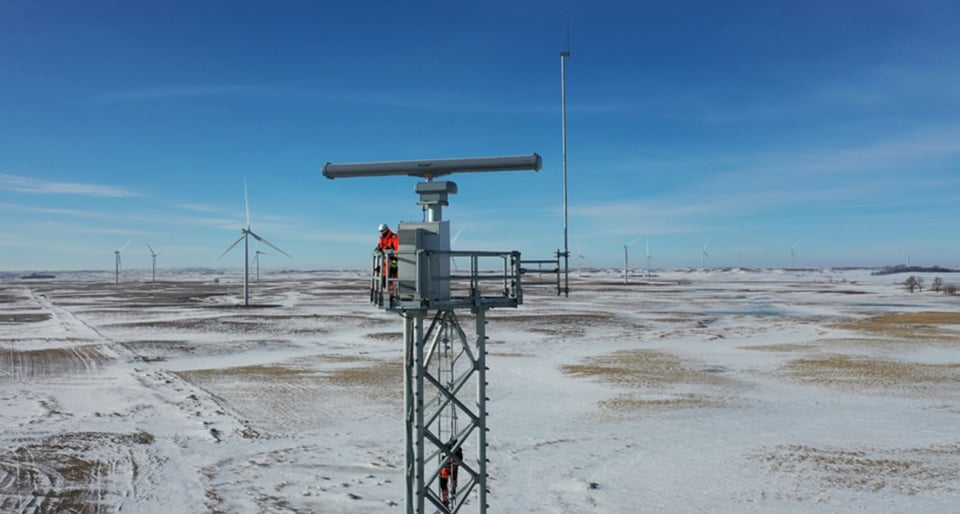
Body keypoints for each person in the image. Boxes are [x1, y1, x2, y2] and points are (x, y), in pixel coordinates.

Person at [374, 223, 399, 293]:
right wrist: (378, 250)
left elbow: (398, 251)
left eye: (382, 231)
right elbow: (378, 249)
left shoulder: (394, 238)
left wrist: (394, 264)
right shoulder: (382, 239)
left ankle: (391, 295)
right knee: (384, 279)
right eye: (380, 231)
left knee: (391, 279)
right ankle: (387, 294)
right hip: (385, 263)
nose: (381, 233)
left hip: (393, 262)